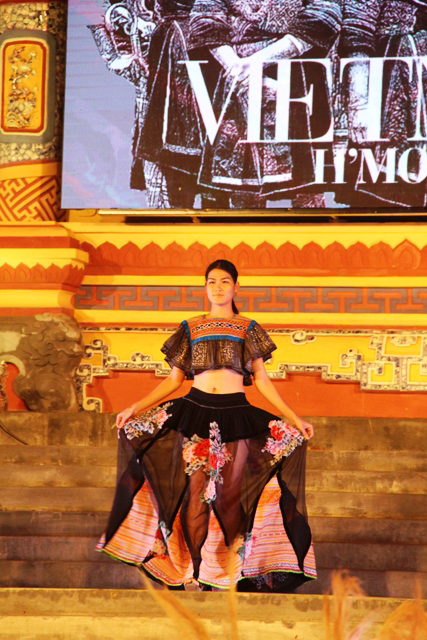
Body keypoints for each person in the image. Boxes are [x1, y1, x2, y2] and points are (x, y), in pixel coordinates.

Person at [97, 260, 316, 591]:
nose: (218, 287)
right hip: (195, 414)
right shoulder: (190, 327)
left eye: (225, 281)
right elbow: (173, 381)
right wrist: (135, 407)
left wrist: (294, 418)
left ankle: (229, 575)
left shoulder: (248, 328)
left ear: (236, 287)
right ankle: (195, 572)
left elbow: (262, 380)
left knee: (229, 498)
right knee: (196, 497)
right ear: (205, 287)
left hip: (237, 416)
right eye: (211, 281)